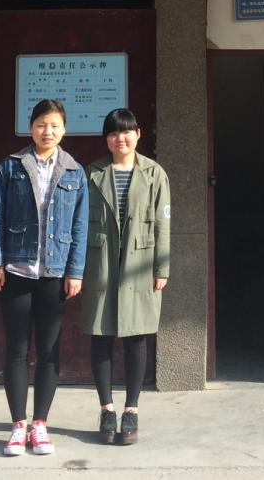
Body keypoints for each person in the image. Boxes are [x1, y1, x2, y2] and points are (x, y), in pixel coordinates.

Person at [0, 98, 88, 457]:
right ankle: (17, 425)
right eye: (42, 124)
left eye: (55, 125)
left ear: (64, 129)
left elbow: (80, 227)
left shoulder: (74, 171)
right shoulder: (10, 167)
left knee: (48, 350)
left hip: (54, 274)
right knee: (16, 349)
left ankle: (40, 424)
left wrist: (75, 271)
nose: (48, 131)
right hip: (17, 269)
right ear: (31, 127)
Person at [81, 108, 171, 446]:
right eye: (114, 132)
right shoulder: (93, 173)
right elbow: (79, 222)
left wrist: (161, 268)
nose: (121, 138)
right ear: (106, 138)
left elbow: (163, 223)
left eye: (127, 131)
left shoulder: (154, 173)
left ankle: (131, 409)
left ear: (138, 134)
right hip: (100, 261)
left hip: (140, 262)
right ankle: (106, 409)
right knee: (101, 334)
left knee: (136, 335)